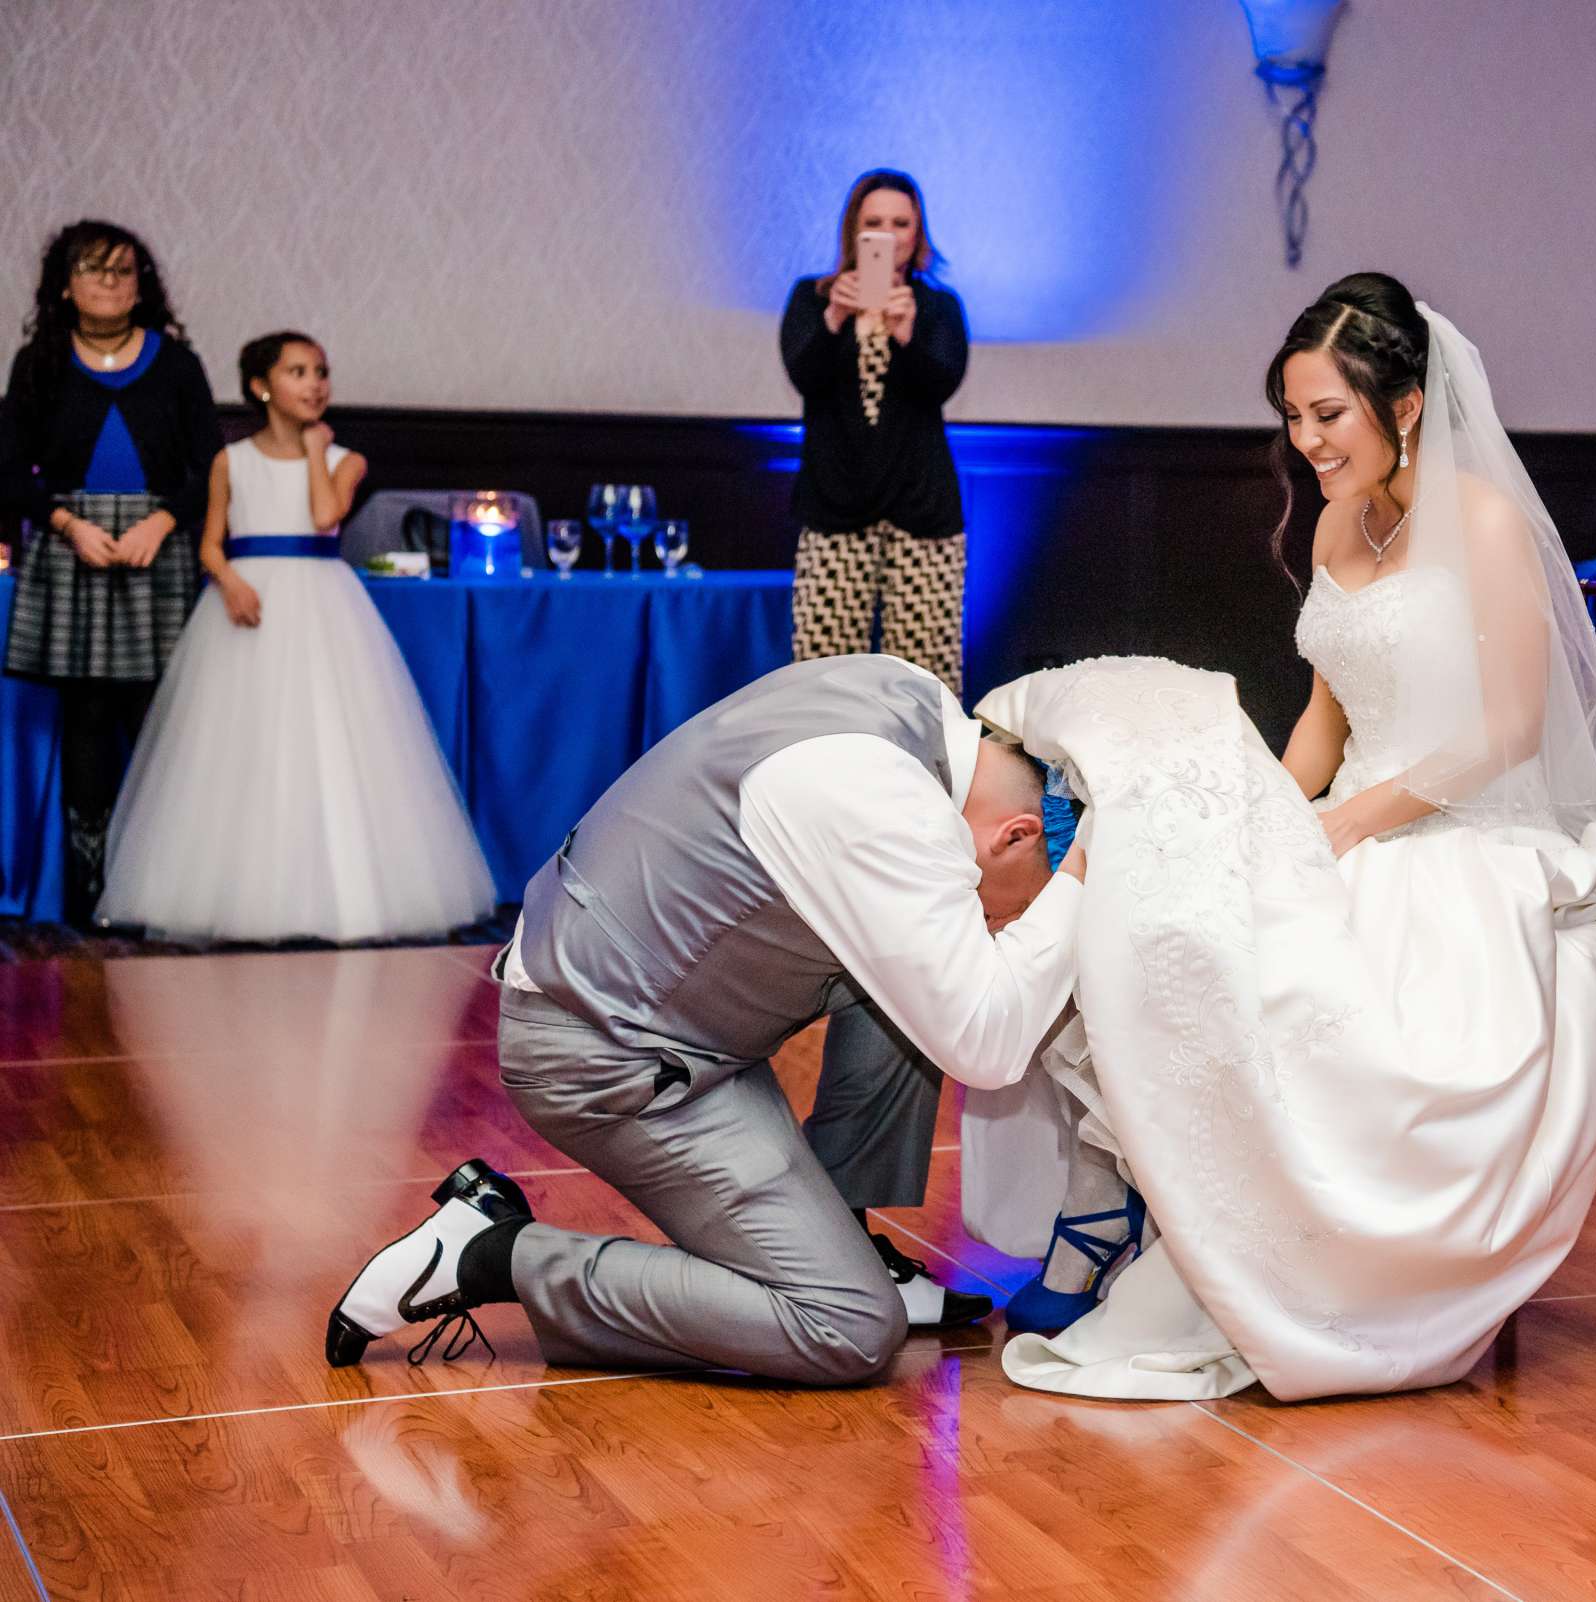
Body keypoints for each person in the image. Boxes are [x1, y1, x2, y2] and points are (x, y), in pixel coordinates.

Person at [974, 273, 1596, 1401]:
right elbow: (1323, 722)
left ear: (1406, 403)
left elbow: (1505, 732)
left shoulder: (1482, 524)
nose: (1307, 443)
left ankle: (1274, 1263)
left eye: (1327, 415)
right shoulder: (1344, 518)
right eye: (1292, 418)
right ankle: (1153, 1210)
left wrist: (1348, 823)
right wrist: (1269, 818)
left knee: (1298, 980)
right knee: (1171, 913)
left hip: (1462, 827)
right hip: (1351, 814)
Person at [325, 654, 1089, 1383]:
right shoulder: (883, 807)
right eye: (1018, 897)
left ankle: (837, 1228)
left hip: (650, 996)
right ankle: (492, 1253)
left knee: (922, 961)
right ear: (1017, 834)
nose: (1005, 917)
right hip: (606, 1057)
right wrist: (1078, 879)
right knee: (848, 1327)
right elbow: (987, 1046)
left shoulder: (907, 695)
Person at [95, 331, 495, 942]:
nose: (315, 384)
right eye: (298, 372)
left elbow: (325, 517)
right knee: (240, 747)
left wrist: (315, 452)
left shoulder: (345, 460)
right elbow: (209, 541)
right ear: (261, 386)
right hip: (246, 603)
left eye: (321, 372)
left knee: (331, 739)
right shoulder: (231, 461)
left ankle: (342, 898)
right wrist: (227, 580)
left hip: (323, 600)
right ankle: (232, 896)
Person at [0, 221, 221, 928]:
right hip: (74, 550)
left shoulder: (178, 365)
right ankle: (90, 899)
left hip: (161, 552)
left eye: (124, 272)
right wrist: (68, 525)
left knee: (162, 720)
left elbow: (210, 467)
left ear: (141, 286)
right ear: (65, 287)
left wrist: (161, 523)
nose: (111, 283)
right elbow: (8, 471)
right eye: (95, 271)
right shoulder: (38, 362)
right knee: (88, 719)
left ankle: (164, 893)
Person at [780, 170, 971, 693]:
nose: (888, 234)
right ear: (853, 232)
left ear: (918, 233)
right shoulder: (812, 300)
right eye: (874, 223)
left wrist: (908, 334)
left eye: (901, 223)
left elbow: (943, 383)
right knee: (822, 681)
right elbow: (803, 376)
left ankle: (926, 777)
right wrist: (836, 318)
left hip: (921, 512)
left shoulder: (937, 307)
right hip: (834, 511)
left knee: (925, 683)